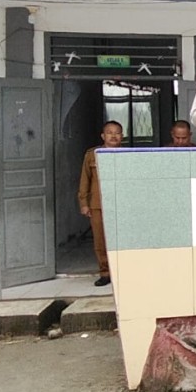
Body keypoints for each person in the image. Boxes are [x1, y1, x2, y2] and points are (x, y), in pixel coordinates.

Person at [78, 121, 123, 287]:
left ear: (122, 136)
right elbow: (85, 179)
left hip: (121, 203)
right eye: (109, 132)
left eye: (117, 132)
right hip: (98, 204)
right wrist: (84, 202)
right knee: (100, 240)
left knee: (122, 238)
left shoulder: (127, 154)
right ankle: (105, 273)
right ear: (103, 136)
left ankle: (121, 271)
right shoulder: (92, 155)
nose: (113, 136)